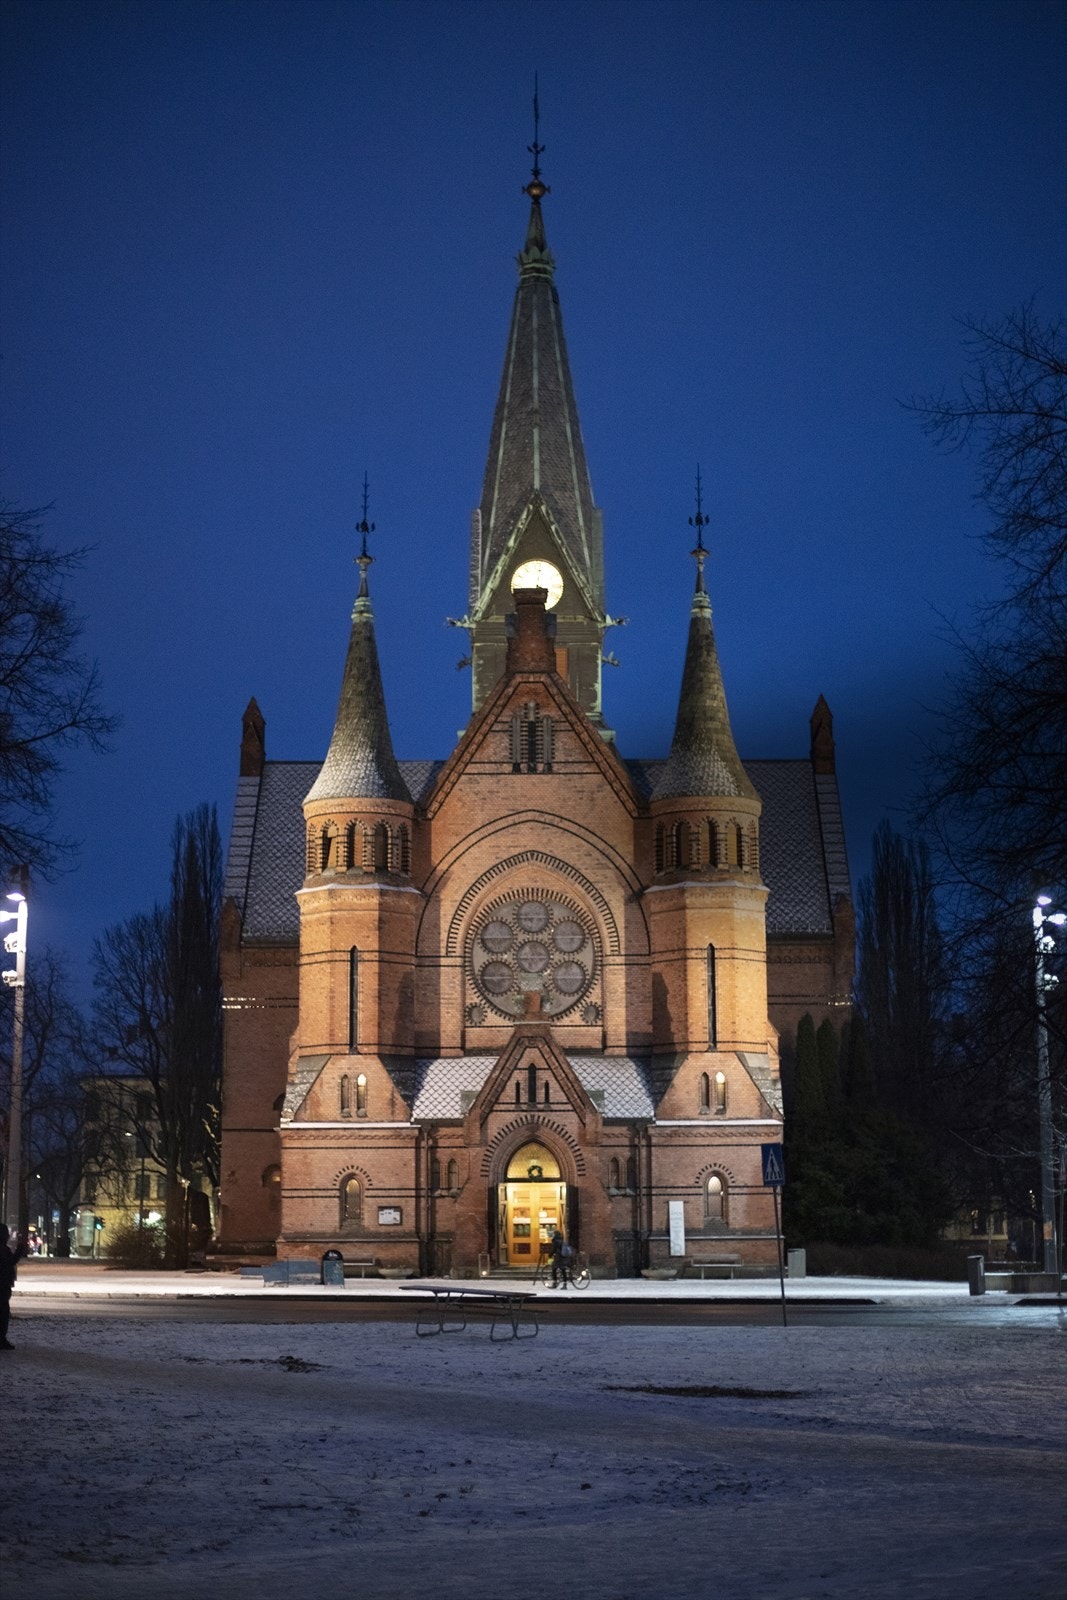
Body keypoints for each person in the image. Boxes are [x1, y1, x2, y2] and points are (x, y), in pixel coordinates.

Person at [0, 1223, 28, 1350]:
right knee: (3, 1313)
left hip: (4, 1284)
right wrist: (19, 1249)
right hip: (2, 1285)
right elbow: (9, 1262)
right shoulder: (2, 1249)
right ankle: (1, 1339)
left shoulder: (4, 1249)